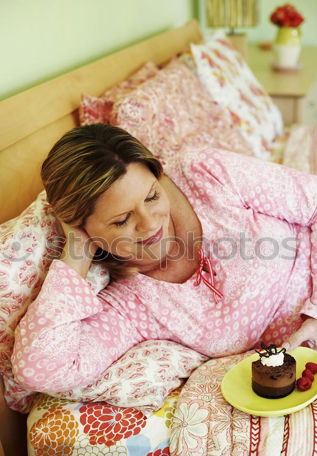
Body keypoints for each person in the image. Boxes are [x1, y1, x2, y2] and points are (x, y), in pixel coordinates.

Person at [11, 124, 317, 394]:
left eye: (152, 196)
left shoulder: (205, 173)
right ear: (84, 229)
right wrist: (75, 253)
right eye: (121, 220)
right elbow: (41, 370)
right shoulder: (128, 304)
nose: (150, 224)